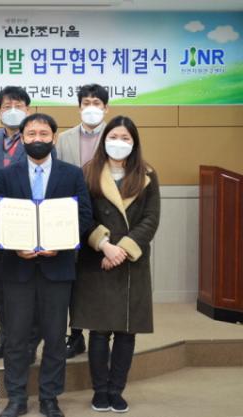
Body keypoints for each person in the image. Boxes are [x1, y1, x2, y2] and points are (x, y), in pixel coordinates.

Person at [0, 114, 93, 417]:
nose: (37, 138)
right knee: (16, 338)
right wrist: (14, 245)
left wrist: (61, 243)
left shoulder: (72, 174)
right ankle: (17, 397)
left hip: (57, 267)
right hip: (17, 268)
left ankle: (50, 397)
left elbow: (84, 216)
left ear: (54, 137)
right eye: (31, 133)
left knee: (54, 337)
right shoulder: (6, 175)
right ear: (22, 138)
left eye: (44, 133)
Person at [71, 116, 160, 413]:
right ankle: (100, 390)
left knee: (126, 331)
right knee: (99, 331)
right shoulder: (88, 172)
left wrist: (123, 250)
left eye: (125, 138)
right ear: (104, 139)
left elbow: (151, 219)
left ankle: (116, 390)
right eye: (113, 137)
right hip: (97, 259)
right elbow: (83, 216)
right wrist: (105, 246)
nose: (118, 143)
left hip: (132, 262)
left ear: (134, 143)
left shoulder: (147, 174)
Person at [0, 86, 40, 362]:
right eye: (7, 106)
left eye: (18, 105)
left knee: (28, 289)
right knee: (1, 288)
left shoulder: (36, 139)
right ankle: (4, 338)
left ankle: (29, 342)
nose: (12, 110)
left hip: (27, 225)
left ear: (27, 109)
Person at [55, 83, 110, 359]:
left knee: (100, 280)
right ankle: (75, 336)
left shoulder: (116, 137)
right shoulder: (64, 139)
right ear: (79, 107)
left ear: (106, 108)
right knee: (73, 280)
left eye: (97, 103)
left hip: (106, 217)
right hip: (72, 217)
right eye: (86, 103)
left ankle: (101, 335)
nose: (91, 108)